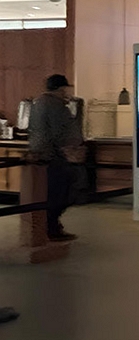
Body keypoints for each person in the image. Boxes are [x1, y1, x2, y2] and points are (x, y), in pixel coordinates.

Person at [27, 74, 85, 242]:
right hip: (56, 155)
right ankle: (52, 227)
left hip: (41, 154)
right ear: (61, 88)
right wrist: (72, 148)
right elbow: (61, 131)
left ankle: (49, 226)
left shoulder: (37, 103)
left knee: (48, 192)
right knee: (63, 191)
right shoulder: (55, 105)